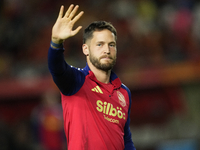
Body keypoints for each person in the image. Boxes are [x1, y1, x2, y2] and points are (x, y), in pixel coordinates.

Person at [48, 4, 136, 150]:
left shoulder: (124, 93)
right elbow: (57, 69)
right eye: (100, 44)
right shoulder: (77, 81)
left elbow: (125, 139)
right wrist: (56, 43)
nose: (107, 50)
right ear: (85, 49)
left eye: (112, 45)